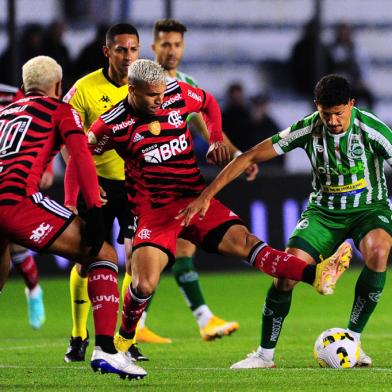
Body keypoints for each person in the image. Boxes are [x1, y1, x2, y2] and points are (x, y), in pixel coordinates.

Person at [83, 59, 352, 363]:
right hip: (154, 212)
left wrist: (214, 138)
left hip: (195, 200)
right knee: (143, 283)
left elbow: (208, 103)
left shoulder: (176, 93)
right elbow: (80, 150)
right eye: (152, 96)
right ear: (131, 90)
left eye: (162, 94)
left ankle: (317, 274)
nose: (161, 100)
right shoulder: (112, 123)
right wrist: (89, 184)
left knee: (248, 243)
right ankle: (124, 338)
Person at [179, 74, 391, 369]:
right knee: (285, 275)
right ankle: (265, 355)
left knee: (379, 251)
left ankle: (353, 341)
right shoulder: (307, 128)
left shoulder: (371, 128)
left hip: (369, 209)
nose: (332, 121)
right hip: (323, 213)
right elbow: (250, 156)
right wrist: (206, 195)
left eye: (338, 113)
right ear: (316, 106)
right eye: (325, 113)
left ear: (352, 105)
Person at [0, 55, 146, 379]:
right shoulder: (60, 110)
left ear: (24, 87)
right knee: (103, 254)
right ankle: (107, 350)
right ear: (57, 87)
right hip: (16, 202)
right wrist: (93, 207)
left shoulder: (4, 113)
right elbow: (81, 155)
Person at [146, 18, 259, 342]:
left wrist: (239, 155)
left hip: (179, 182)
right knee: (144, 254)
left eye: (178, 44)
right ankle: (127, 327)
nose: (172, 50)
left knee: (182, 250)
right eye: (166, 44)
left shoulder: (185, 82)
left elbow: (206, 126)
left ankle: (201, 319)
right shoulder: (138, 82)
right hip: (144, 182)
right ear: (154, 47)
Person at [62, 23, 165, 364]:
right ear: (107, 51)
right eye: (120, 49)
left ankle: (125, 339)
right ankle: (78, 334)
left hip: (136, 186)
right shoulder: (83, 90)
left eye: (133, 49)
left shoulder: (148, 87)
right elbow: (69, 142)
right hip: (98, 185)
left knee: (137, 262)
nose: (127, 56)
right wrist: (86, 183)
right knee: (88, 258)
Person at [0, 83, 49, 330]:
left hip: (13, 175)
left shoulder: (11, 94)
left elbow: (38, 126)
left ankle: (33, 290)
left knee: (16, 242)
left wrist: (47, 167)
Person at [328, 22, 374, 109]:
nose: (343, 34)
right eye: (341, 32)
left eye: (346, 32)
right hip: (338, 83)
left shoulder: (355, 49)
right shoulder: (332, 49)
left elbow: (363, 66)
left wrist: (361, 81)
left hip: (353, 83)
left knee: (366, 95)